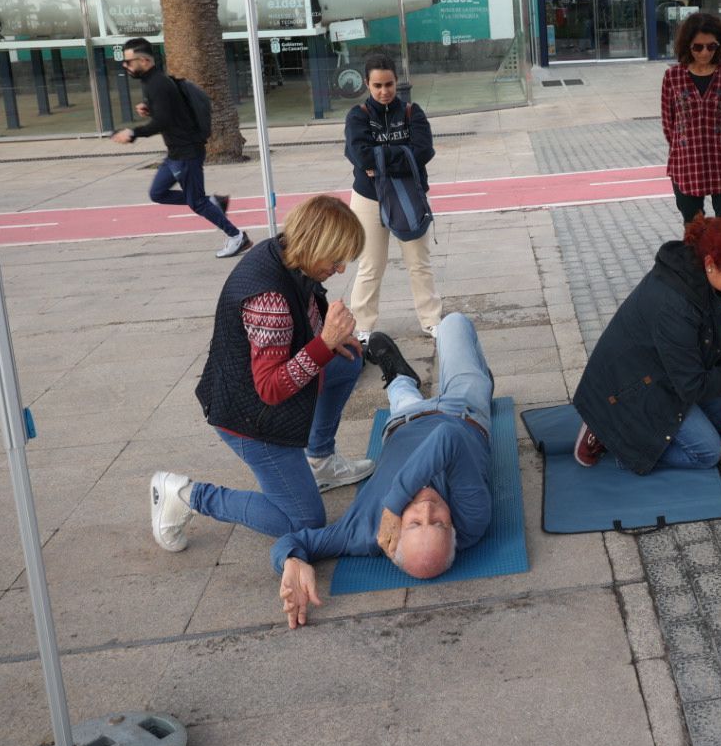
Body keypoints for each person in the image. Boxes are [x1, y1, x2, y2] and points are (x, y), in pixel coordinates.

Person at [149, 195, 377, 552]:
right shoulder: (268, 298)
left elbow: (302, 317)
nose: (341, 268)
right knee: (304, 522)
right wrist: (325, 342)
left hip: (260, 395)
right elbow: (270, 389)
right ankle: (185, 495)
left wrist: (332, 340)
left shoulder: (290, 254)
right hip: (251, 418)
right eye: (336, 259)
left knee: (347, 361)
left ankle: (320, 462)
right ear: (315, 245)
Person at [272, 316, 495, 628]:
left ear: (391, 538)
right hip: (463, 410)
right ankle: (478, 377)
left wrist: (291, 561)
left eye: (415, 523)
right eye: (440, 523)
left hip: (405, 421)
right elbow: (448, 437)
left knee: (402, 395)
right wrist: (396, 504)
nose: (428, 509)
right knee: (453, 324)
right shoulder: (472, 519)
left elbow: (295, 540)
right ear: (455, 532)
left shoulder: (363, 532)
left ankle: (400, 376)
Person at [572, 215, 721, 473]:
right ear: (711, 263)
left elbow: (719, 338)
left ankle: (632, 431)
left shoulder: (704, 276)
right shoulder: (675, 306)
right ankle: (613, 434)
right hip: (634, 386)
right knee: (708, 453)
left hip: (672, 371)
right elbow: (692, 387)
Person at [109, 37, 249, 258]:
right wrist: (149, 109)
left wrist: (133, 132)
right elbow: (172, 114)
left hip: (186, 153)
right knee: (157, 193)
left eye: (128, 62)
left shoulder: (158, 84)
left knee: (197, 203)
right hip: (176, 152)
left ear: (144, 61)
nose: (125, 66)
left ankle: (236, 236)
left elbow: (163, 122)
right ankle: (213, 202)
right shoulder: (151, 82)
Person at [343, 52, 444, 338]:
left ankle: (431, 320)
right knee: (371, 265)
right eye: (377, 86)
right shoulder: (357, 116)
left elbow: (424, 150)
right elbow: (361, 157)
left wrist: (382, 161)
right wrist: (402, 155)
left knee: (419, 262)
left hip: (408, 195)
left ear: (396, 81)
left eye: (388, 84)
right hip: (368, 198)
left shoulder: (413, 112)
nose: (384, 91)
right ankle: (362, 327)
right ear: (367, 84)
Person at [662, 12, 721, 223]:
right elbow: (668, 122)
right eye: (698, 47)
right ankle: (698, 258)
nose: (705, 52)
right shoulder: (673, 77)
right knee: (694, 229)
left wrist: (720, 142)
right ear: (687, 46)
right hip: (686, 165)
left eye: (711, 46)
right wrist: (685, 145)